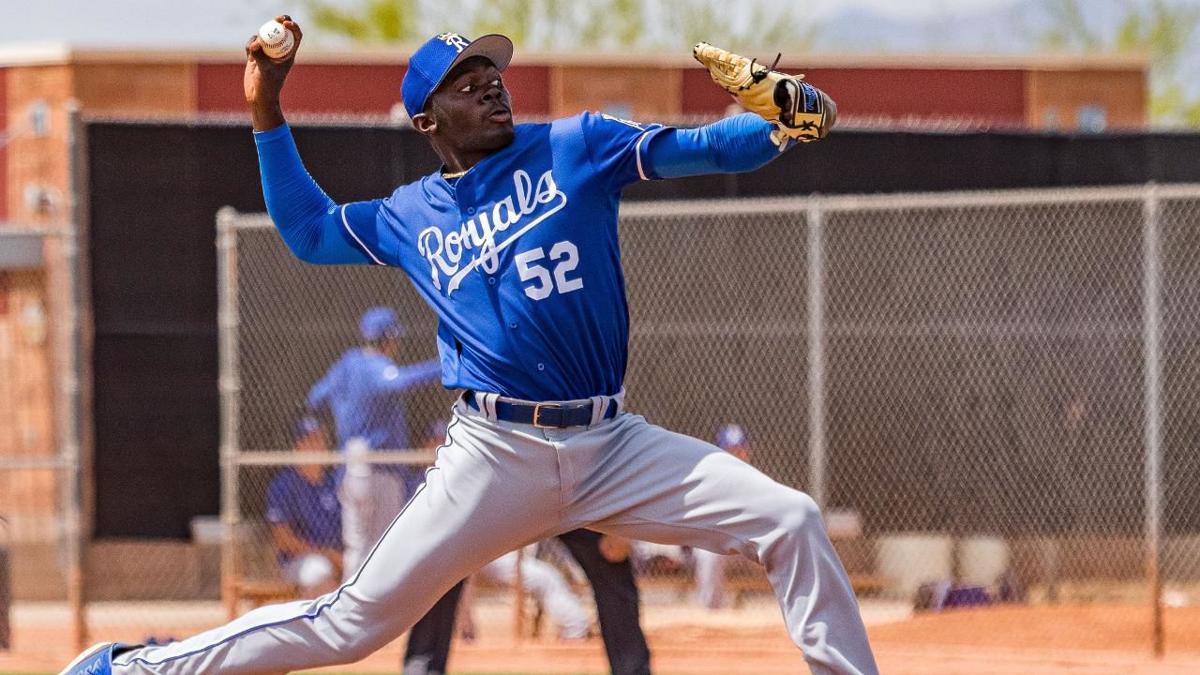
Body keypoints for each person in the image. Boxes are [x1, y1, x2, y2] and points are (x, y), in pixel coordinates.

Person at [64, 17, 877, 675]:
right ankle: (132, 668)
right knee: (349, 624)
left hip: (611, 440)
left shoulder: (575, 146)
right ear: (428, 120)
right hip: (496, 451)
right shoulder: (410, 214)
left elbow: (700, 148)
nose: (490, 80)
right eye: (464, 79)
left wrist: (782, 123)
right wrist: (267, 106)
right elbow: (309, 232)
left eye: (492, 70)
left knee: (790, 519)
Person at [405, 424, 653, 675]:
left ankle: (632, 671)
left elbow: (606, 417)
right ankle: (421, 668)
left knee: (609, 558)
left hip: (567, 471)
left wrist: (619, 524)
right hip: (499, 466)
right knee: (444, 554)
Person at [306, 306, 440, 575]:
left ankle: (348, 613)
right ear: (387, 339)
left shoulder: (345, 364)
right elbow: (398, 382)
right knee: (382, 548)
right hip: (377, 466)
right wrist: (444, 366)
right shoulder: (375, 365)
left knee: (357, 546)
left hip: (348, 464)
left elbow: (315, 398)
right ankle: (376, 613)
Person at [264, 416, 343, 596]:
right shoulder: (284, 485)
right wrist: (328, 555)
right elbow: (283, 540)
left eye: (320, 439)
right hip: (299, 561)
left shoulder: (334, 483)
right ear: (297, 447)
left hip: (339, 557)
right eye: (309, 440)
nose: (316, 446)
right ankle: (316, 623)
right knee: (319, 573)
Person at [693, 423, 752, 609]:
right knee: (708, 553)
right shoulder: (708, 479)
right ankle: (711, 613)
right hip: (721, 546)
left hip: (749, 548)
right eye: (730, 450)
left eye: (739, 449)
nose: (736, 455)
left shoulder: (755, 479)